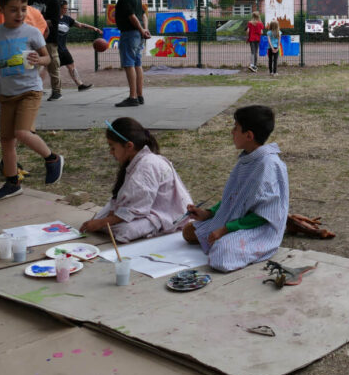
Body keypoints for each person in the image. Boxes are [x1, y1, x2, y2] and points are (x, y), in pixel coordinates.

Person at [0, 0, 64, 201]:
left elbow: (47, 58)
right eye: (13, 10)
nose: (19, 14)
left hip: (30, 91)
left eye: (23, 9)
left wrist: (40, 60)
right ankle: (12, 182)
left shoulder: (31, 32)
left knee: (22, 132)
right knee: (7, 140)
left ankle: (52, 159)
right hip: (7, 93)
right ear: (1, 9)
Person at [182, 105, 288, 272]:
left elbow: (265, 215)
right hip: (237, 220)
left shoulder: (268, 166)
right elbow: (233, 198)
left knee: (222, 252)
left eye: (235, 128)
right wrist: (208, 213)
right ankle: (221, 235)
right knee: (188, 231)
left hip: (257, 227)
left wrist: (226, 229)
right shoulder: (247, 159)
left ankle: (248, 244)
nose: (232, 132)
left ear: (249, 135)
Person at [79, 117, 192, 242]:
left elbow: (135, 208)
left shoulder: (146, 166)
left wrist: (103, 222)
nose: (111, 152)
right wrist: (106, 218)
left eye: (112, 147)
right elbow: (128, 198)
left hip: (165, 214)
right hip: (146, 207)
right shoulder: (137, 160)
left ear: (129, 146)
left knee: (124, 230)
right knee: (100, 217)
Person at [113, 0, 151, 107]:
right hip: (138, 34)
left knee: (129, 64)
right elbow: (143, 15)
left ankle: (133, 97)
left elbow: (132, 16)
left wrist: (141, 30)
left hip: (130, 33)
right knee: (137, 64)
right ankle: (140, 95)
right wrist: (144, 29)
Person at [29, 0, 63, 100]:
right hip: (32, 37)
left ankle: (56, 91)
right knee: (31, 62)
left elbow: (53, 21)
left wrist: (36, 24)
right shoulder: (31, 0)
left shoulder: (53, 1)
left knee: (53, 64)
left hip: (48, 37)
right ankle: (32, 88)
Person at [55, 0, 98, 91]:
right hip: (52, 48)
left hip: (63, 49)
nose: (66, 10)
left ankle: (80, 85)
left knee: (71, 66)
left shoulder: (67, 19)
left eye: (67, 8)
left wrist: (93, 28)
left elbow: (80, 25)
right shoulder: (52, 19)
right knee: (48, 69)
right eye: (64, 8)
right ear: (58, 8)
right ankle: (40, 88)